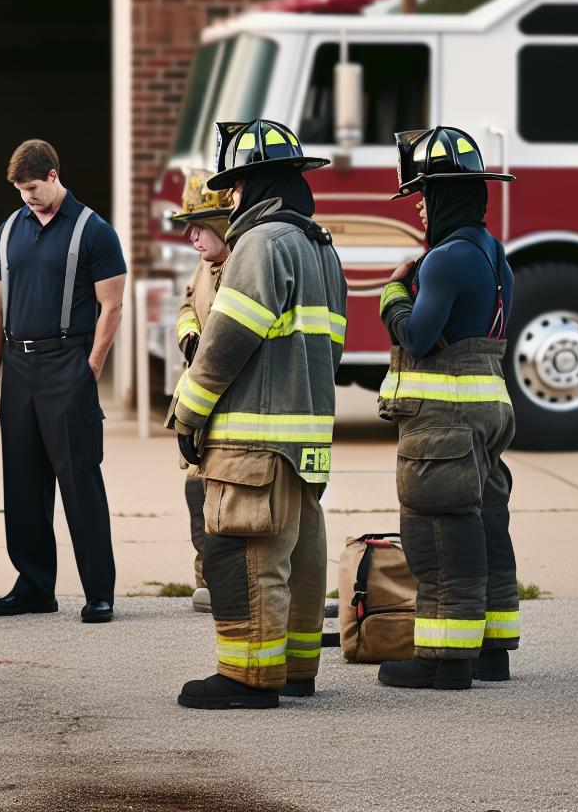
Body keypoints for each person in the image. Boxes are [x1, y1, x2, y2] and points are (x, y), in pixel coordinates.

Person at [170, 119, 346, 711]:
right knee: (299, 552)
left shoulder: (261, 244)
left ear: (251, 184)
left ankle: (249, 676)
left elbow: (225, 344)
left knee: (247, 551)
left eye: (234, 188)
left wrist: (189, 414)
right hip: (305, 438)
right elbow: (331, 348)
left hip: (253, 438)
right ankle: (294, 668)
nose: (230, 201)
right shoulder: (321, 248)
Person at [376, 126, 521, 690]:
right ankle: (492, 651)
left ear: (443, 195)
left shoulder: (444, 259)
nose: (418, 204)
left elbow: (417, 337)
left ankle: (444, 660)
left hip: (446, 420)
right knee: (487, 523)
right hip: (491, 407)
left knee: (437, 528)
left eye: (423, 193)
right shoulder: (494, 252)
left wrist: (393, 293)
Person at [0, 140, 127, 625]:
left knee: (80, 482)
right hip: (18, 366)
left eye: (33, 188)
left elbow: (112, 306)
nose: (28, 198)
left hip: (68, 364)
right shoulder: (8, 231)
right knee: (22, 482)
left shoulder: (94, 231)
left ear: (53, 175)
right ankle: (34, 587)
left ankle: (99, 592)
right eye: (20, 191)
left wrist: (91, 368)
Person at [163, 171, 235, 616]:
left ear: (225, 224)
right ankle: (207, 581)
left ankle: (223, 584)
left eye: (200, 226)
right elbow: (188, 304)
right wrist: (189, 336)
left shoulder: (245, 267)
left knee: (222, 497)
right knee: (197, 492)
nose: (191, 236)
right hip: (200, 401)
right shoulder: (206, 265)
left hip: (228, 407)